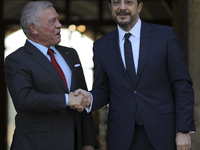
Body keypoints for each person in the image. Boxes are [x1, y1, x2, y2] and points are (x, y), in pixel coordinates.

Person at [74, 0, 196, 149]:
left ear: (139, 6)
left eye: (129, 2)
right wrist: (90, 98)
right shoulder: (101, 46)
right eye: (117, 2)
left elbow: (182, 84)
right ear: (110, 7)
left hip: (164, 132)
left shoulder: (165, 36)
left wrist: (182, 129)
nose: (122, 7)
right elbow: (103, 90)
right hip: (122, 137)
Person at [4, 1, 98, 150]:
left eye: (58, 19)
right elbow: (24, 99)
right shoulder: (17, 59)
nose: (59, 25)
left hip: (74, 144)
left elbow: (82, 100)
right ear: (33, 28)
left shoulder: (71, 54)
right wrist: (66, 99)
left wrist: (89, 143)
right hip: (36, 144)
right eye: (52, 21)